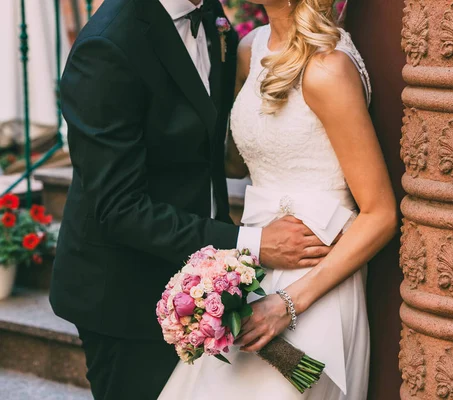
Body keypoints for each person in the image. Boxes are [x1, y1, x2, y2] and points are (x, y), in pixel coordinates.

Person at [49, 0, 334, 399]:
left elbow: (201, 149)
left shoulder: (212, 17)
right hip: (126, 296)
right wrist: (251, 243)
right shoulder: (109, 44)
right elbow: (119, 208)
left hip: (212, 278)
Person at [158, 0, 397, 398]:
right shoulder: (251, 48)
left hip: (317, 277)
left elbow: (381, 214)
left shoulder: (328, 68)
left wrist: (285, 305)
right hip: (256, 261)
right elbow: (239, 161)